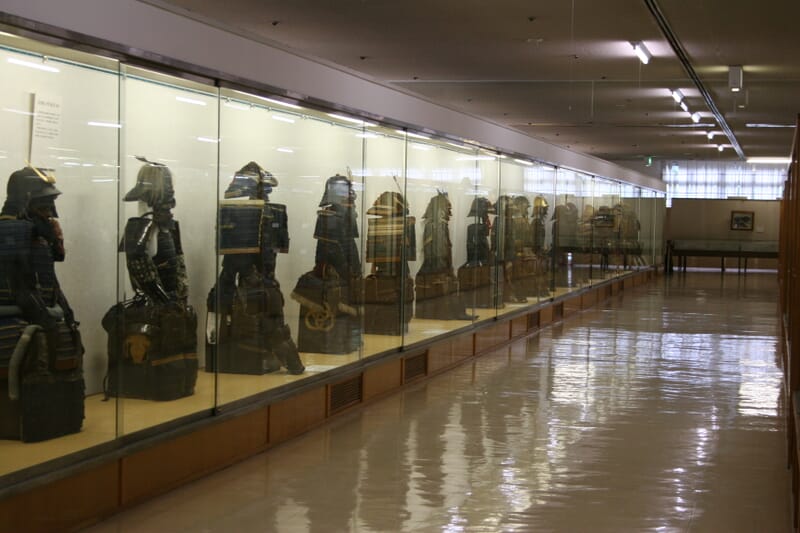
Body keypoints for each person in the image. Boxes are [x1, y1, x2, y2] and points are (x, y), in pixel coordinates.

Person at [102, 157, 197, 401]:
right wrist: (165, 302)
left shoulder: (168, 226)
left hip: (172, 305)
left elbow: (179, 267)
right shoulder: (139, 226)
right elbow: (140, 271)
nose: (171, 194)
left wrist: (177, 302)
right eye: (166, 187)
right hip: (156, 307)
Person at [0, 166, 84, 441]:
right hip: (14, 317)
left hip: (39, 312)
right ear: (26, 198)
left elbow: (49, 279)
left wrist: (65, 315)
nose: (49, 209)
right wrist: (45, 319)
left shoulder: (35, 230)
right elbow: (20, 285)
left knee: (67, 338)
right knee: (38, 349)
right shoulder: (10, 229)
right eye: (44, 202)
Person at [206, 162, 304, 375]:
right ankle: (293, 365)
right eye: (265, 191)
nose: (267, 195)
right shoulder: (255, 214)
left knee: (274, 326)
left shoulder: (255, 214)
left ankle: (292, 364)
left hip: (258, 284)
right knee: (274, 326)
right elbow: (237, 261)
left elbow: (238, 261)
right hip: (259, 283)